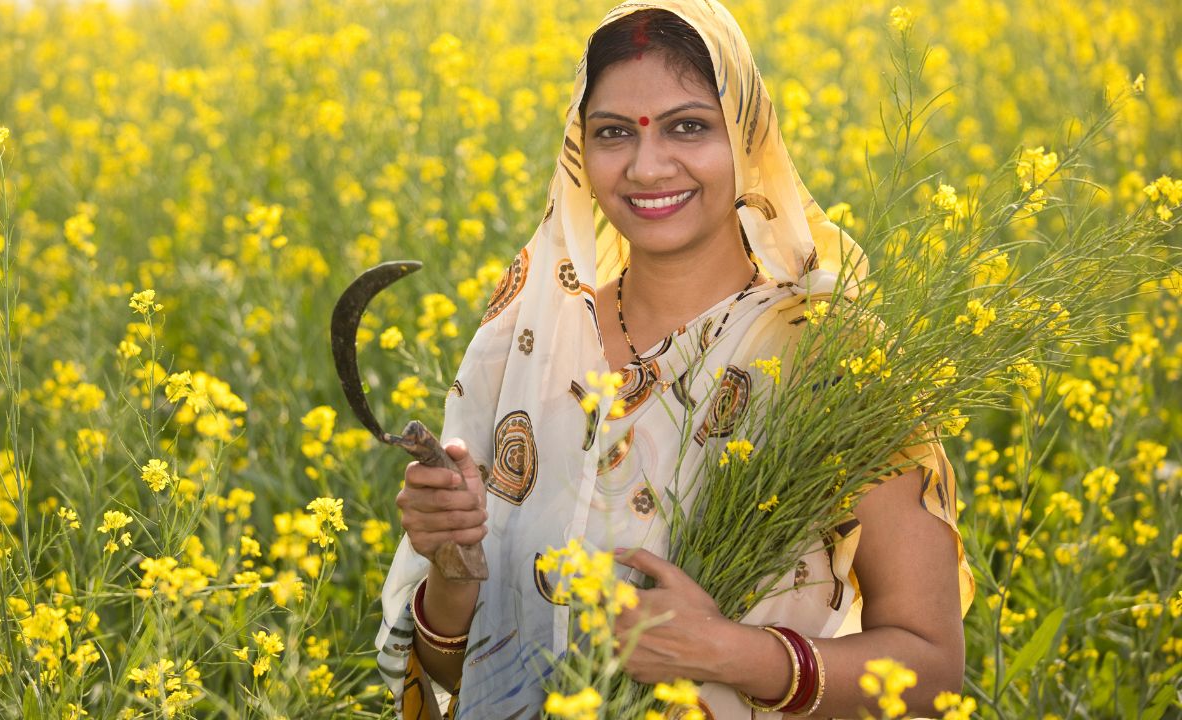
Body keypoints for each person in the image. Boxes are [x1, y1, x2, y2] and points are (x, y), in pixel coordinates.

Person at [376, 1, 975, 717]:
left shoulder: (835, 360)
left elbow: (933, 671)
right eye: (612, 133)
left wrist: (731, 654)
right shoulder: (521, 342)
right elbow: (453, 669)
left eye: (689, 126)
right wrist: (451, 563)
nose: (646, 165)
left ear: (748, 137)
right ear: (580, 149)